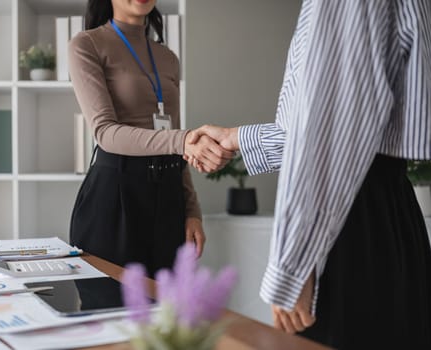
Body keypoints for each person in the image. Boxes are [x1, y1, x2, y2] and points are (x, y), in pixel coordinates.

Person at [187, 0, 431, 348]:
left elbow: (331, 140)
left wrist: (294, 267)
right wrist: (236, 137)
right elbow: (336, 128)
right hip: (380, 211)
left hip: (349, 226)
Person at [68, 0, 233, 277]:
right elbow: (105, 133)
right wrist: (183, 140)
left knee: (165, 313)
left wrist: (192, 210)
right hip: (116, 197)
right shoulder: (87, 44)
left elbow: (178, 141)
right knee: (109, 309)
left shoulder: (168, 58)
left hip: (169, 198)